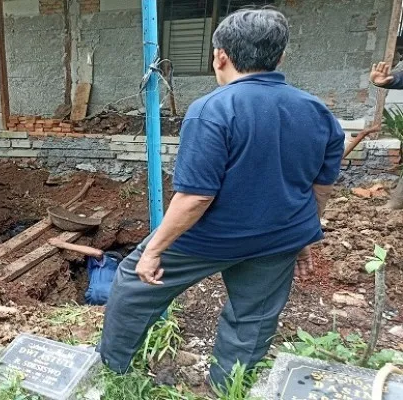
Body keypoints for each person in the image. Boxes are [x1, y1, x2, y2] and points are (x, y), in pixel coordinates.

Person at [99, 8, 345, 390]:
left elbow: (196, 197)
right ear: (280, 57)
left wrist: (152, 251)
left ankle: (113, 372)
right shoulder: (318, 112)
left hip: (208, 238)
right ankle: (225, 389)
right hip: (278, 239)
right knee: (253, 318)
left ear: (220, 56)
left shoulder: (213, 110)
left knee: (133, 284)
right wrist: (303, 238)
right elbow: (320, 188)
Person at [48, 238, 123, 305]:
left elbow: (98, 253)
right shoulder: (117, 273)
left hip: (100, 294)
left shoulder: (110, 261)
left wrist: (63, 244)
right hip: (106, 298)